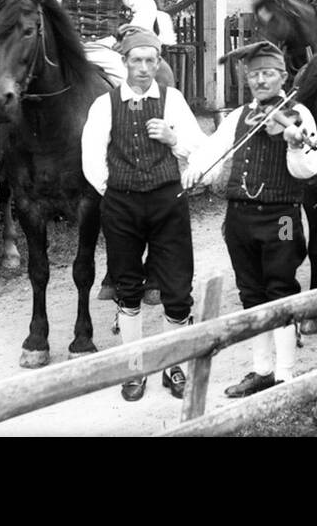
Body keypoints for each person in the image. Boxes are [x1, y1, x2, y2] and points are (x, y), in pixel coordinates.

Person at [181, 42, 317, 397]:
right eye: (254, 74)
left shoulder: (299, 114)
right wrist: (196, 171)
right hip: (240, 217)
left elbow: (308, 169)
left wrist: (292, 143)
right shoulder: (239, 115)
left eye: (267, 74)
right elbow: (213, 149)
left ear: (282, 76)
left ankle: (285, 374)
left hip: (282, 218)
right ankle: (261, 370)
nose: (260, 80)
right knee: (251, 293)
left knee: (281, 291)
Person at [82, 28, 207, 402]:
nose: (143, 68)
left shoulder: (173, 101)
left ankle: (175, 366)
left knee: (177, 286)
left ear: (158, 63)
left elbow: (198, 150)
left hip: (168, 202)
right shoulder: (105, 105)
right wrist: (117, 192)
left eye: (151, 61)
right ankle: (135, 369)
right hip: (122, 205)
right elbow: (91, 158)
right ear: (124, 63)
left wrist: (173, 140)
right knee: (127, 286)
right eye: (136, 60)